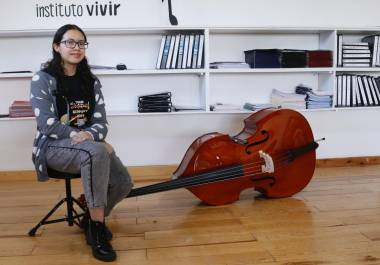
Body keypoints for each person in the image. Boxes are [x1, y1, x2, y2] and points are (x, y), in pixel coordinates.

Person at [30, 24, 133, 262]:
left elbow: (101, 123)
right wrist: (86, 138)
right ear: (57, 46)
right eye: (69, 42)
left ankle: (88, 218)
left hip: (88, 145)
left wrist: (93, 137)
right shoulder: (42, 79)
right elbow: (47, 124)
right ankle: (97, 230)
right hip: (52, 146)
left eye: (81, 43)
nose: (76, 48)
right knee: (96, 152)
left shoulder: (91, 81)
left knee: (123, 183)